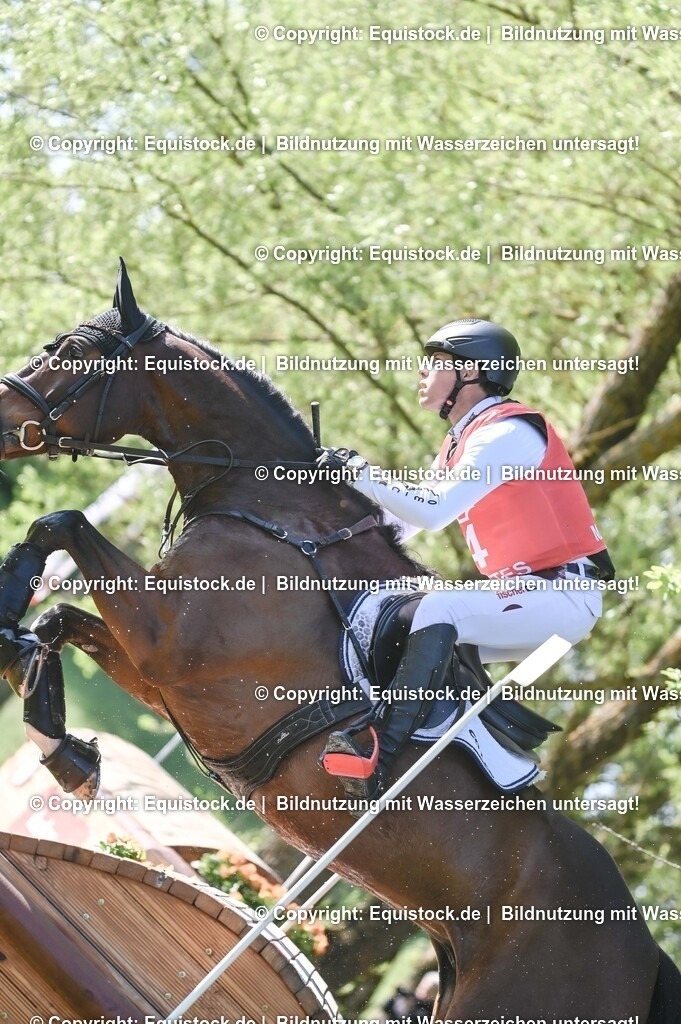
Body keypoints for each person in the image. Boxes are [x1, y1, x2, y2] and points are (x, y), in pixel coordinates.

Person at [317, 318, 614, 801]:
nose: (422, 374)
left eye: (435, 364)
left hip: (562, 596)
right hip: (529, 597)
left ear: (472, 373)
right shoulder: (461, 441)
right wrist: (334, 507)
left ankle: (379, 762)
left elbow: (432, 513)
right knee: (389, 620)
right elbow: (401, 525)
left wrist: (361, 473)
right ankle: (474, 739)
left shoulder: (509, 432)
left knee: (439, 609)